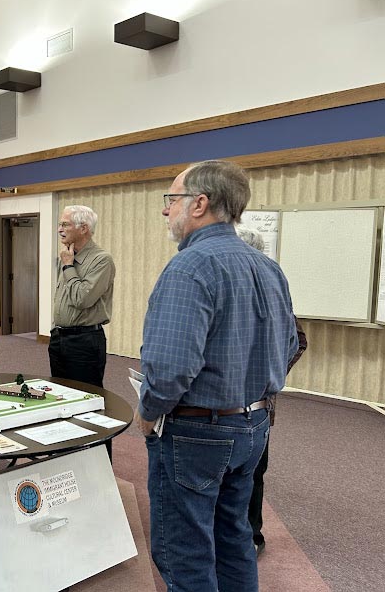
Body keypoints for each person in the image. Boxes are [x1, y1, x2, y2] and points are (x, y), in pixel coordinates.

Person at [136, 160, 298, 591]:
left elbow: (170, 369)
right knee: (234, 538)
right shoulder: (268, 267)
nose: (165, 211)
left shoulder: (189, 268)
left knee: (183, 551)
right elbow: (288, 347)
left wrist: (148, 412)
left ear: (200, 204)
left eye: (171, 200)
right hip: (253, 428)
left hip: (197, 433)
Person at [236, 226, 308, 558]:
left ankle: (252, 534)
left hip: (257, 404)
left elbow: (298, 340)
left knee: (253, 471)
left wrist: (271, 377)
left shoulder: (270, 287)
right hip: (230, 403)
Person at [49, 205, 115, 387]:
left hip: (84, 342)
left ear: (83, 228)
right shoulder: (67, 256)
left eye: (65, 224)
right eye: (59, 224)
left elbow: (82, 299)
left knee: (86, 397)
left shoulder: (101, 260)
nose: (59, 229)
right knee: (61, 394)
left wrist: (69, 267)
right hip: (58, 338)